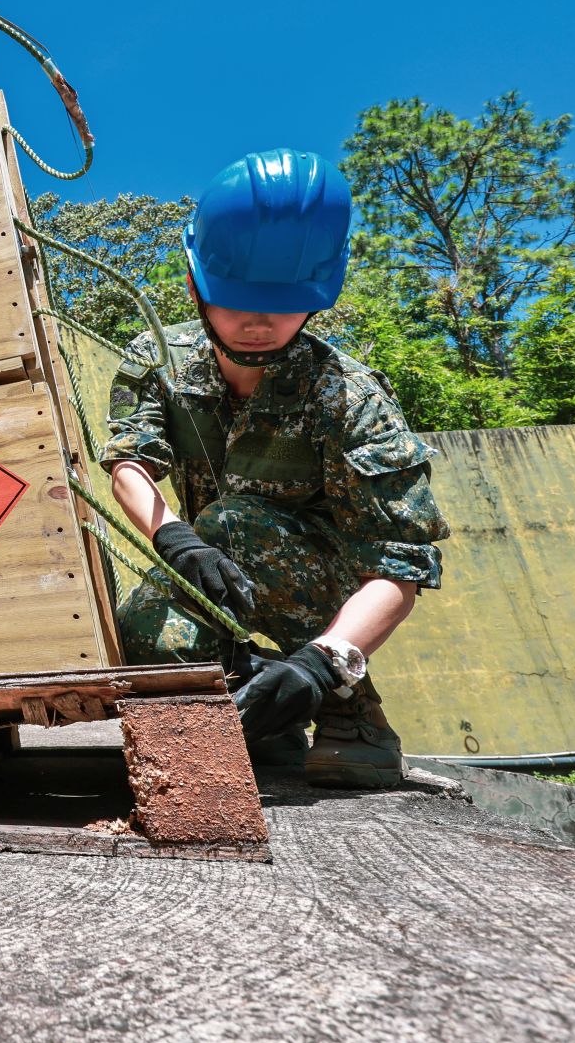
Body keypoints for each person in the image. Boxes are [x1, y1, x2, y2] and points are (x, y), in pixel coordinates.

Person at [100, 148, 449, 788]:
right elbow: (129, 460)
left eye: (283, 305)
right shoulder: (158, 360)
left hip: (329, 590)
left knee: (232, 524)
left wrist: (325, 662)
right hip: (208, 560)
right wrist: (174, 538)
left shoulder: (350, 396)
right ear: (194, 285)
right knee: (147, 636)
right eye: (236, 302)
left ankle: (350, 712)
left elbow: (399, 568)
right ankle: (261, 698)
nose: (258, 323)